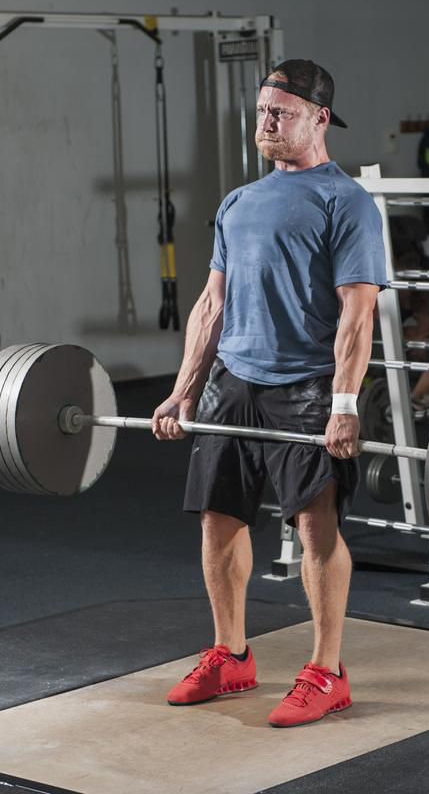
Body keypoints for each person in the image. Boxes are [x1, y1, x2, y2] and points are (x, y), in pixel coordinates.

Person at [151, 59, 386, 728]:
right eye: (261, 112)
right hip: (234, 382)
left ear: (319, 118)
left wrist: (344, 406)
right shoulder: (238, 203)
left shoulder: (347, 202)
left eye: (280, 113)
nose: (265, 123)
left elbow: (357, 313)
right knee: (218, 519)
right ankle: (231, 656)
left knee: (317, 527)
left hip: (306, 388)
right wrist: (182, 393)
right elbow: (211, 305)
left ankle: (327, 670)